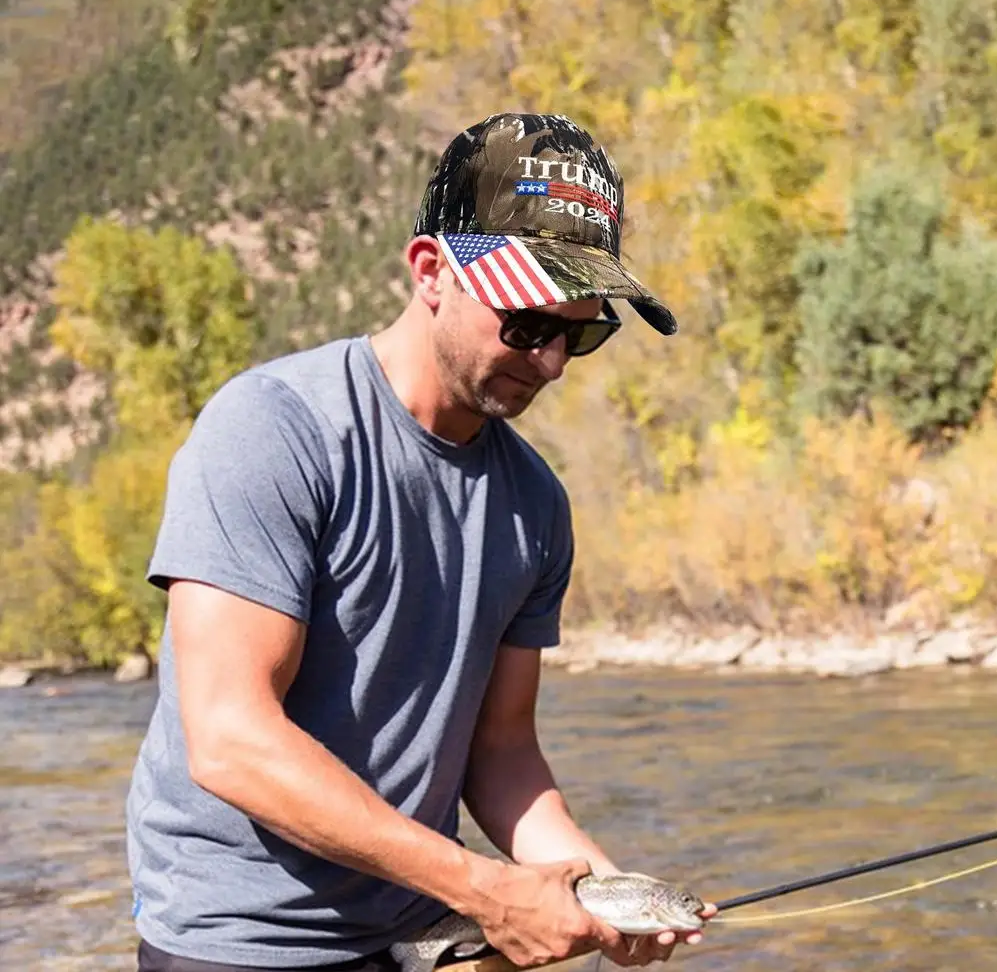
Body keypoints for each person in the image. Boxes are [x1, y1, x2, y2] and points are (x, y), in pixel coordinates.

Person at [126, 112, 715, 972]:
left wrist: (603, 894)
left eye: (580, 333)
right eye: (527, 324)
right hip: (243, 940)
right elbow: (230, 740)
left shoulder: (536, 506)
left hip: (418, 927)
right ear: (432, 271)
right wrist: (487, 891)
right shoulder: (274, 430)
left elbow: (502, 752)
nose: (551, 362)